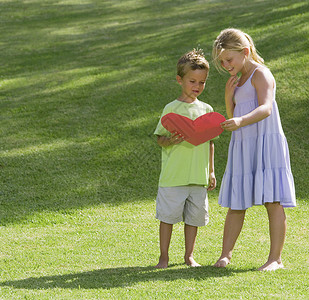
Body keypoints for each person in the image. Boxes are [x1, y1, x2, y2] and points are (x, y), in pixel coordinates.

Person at [212, 28, 296, 271]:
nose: (226, 65)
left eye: (229, 59)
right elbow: (232, 118)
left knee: (272, 200)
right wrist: (229, 96)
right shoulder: (236, 80)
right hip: (244, 142)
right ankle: (225, 254)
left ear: (245, 52)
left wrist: (239, 121)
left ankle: (275, 259)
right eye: (222, 61)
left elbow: (266, 108)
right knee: (237, 201)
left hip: (265, 142)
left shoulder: (262, 74)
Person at [154, 49, 217, 268]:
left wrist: (210, 171)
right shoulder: (171, 109)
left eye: (202, 82)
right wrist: (170, 140)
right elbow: (160, 138)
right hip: (174, 177)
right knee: (168, 218)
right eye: (192, 81)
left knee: (194, 219)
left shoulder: (207, 109)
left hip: (197, 177)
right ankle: (164, 257)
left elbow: (210, 142)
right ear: (180, 80)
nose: (197, 86)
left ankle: (189, 256)